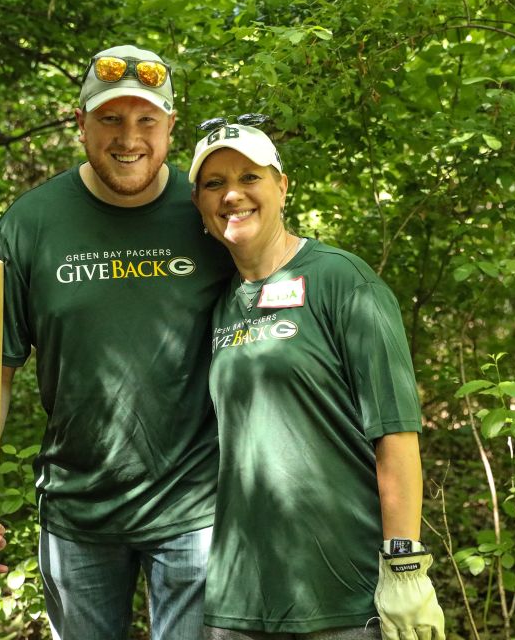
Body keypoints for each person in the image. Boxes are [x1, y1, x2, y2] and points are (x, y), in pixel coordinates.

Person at [0, 44, 233, 640]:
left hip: (194, 511)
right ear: (80, 123)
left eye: (146, 119)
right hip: (78, 512)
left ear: (171, 128)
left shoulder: (208, 215)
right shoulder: (30, 225)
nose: (128, 137)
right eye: (109, 118)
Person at [187, 118, 445, 640]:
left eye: (249, 177)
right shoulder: (219, 307)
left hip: (342, 599)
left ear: (282, 186)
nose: (232, 194)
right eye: (214, 184)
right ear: (199, 206)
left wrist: (405, 567)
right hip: (239, 598)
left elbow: (395, 432)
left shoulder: (342, 281)